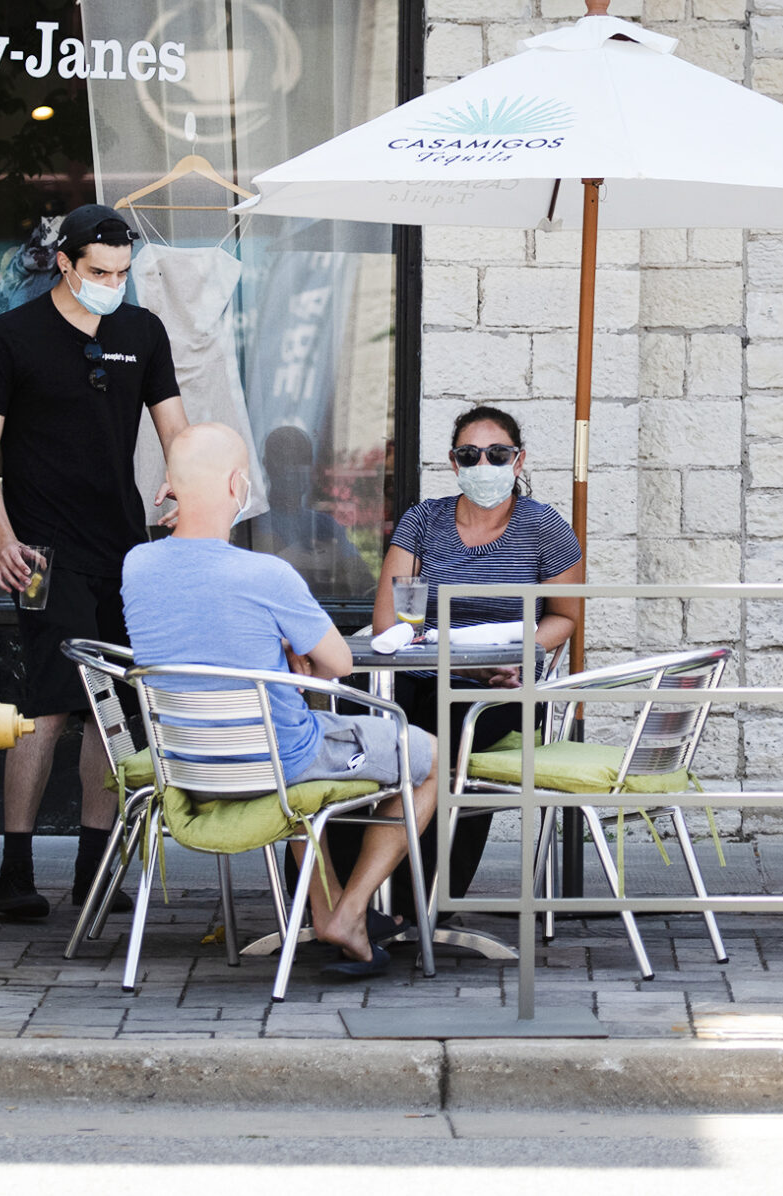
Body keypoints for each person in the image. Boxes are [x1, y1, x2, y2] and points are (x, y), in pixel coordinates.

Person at [124, 424, 440, 977]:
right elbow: (341, 664)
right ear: (237, 484)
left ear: (168, 489)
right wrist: (291, 645)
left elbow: (201, 625)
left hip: (188, 766)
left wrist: (277, 648)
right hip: (278, 763)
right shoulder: (268, 574)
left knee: (291, 731)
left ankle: (326, 912)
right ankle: (352, 909)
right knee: (433, 759)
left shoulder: (135, 567)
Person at [0, 204, 191, 920]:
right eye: (99, 272)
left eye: (122, 273)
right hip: (38, 550)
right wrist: (2, 539)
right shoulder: (13, 336)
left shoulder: (140, 331)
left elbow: (175, 429)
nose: (111, 284)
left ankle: (96, 869)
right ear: (64, 263)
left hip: (123, 548)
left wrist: (182, 485)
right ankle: (16, 871)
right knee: (49, 705)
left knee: (111, 712)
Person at [368, 405, 585, 903]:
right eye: (470, 454)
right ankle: (351, 896)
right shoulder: (424, 521)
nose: (483, 464)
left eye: (497, 453)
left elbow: (565, 618)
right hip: (424, 673)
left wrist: (520, 651)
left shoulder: (543, 526)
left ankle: (421, 902)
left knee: (450, 741)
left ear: (519, 459)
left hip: (502, 685)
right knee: (375, 729)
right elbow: (391, 621)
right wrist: (426, 639)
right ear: (454, 463)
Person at [249, 425, 374, 598]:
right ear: (267, 465)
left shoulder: (325, 524)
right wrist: (329, 558)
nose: (293, 469)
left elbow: (363, 580)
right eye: (283, 460)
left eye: (302, 461)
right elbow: (272, 570)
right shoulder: (254, 522)